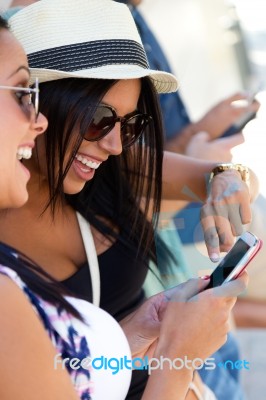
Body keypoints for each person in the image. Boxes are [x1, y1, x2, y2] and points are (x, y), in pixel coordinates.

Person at [2, 0, 259, 398]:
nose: (115, 144)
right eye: (97, 118)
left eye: (132, 123)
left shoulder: (102, 160)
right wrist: (179, 356)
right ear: (40, 102)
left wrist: (229, 179)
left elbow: (211, 176)